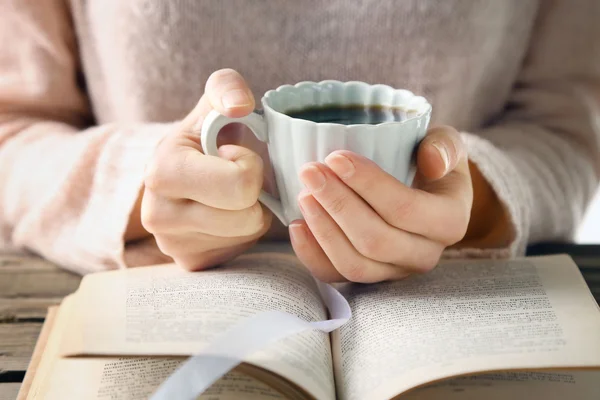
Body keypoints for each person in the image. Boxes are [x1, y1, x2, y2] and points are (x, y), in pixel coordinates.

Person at [0, 1, 598, 282]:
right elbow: (12, 136)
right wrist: (140, 187)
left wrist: (473, 203)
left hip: (438, 296)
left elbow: (566, 134)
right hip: (175, 302)